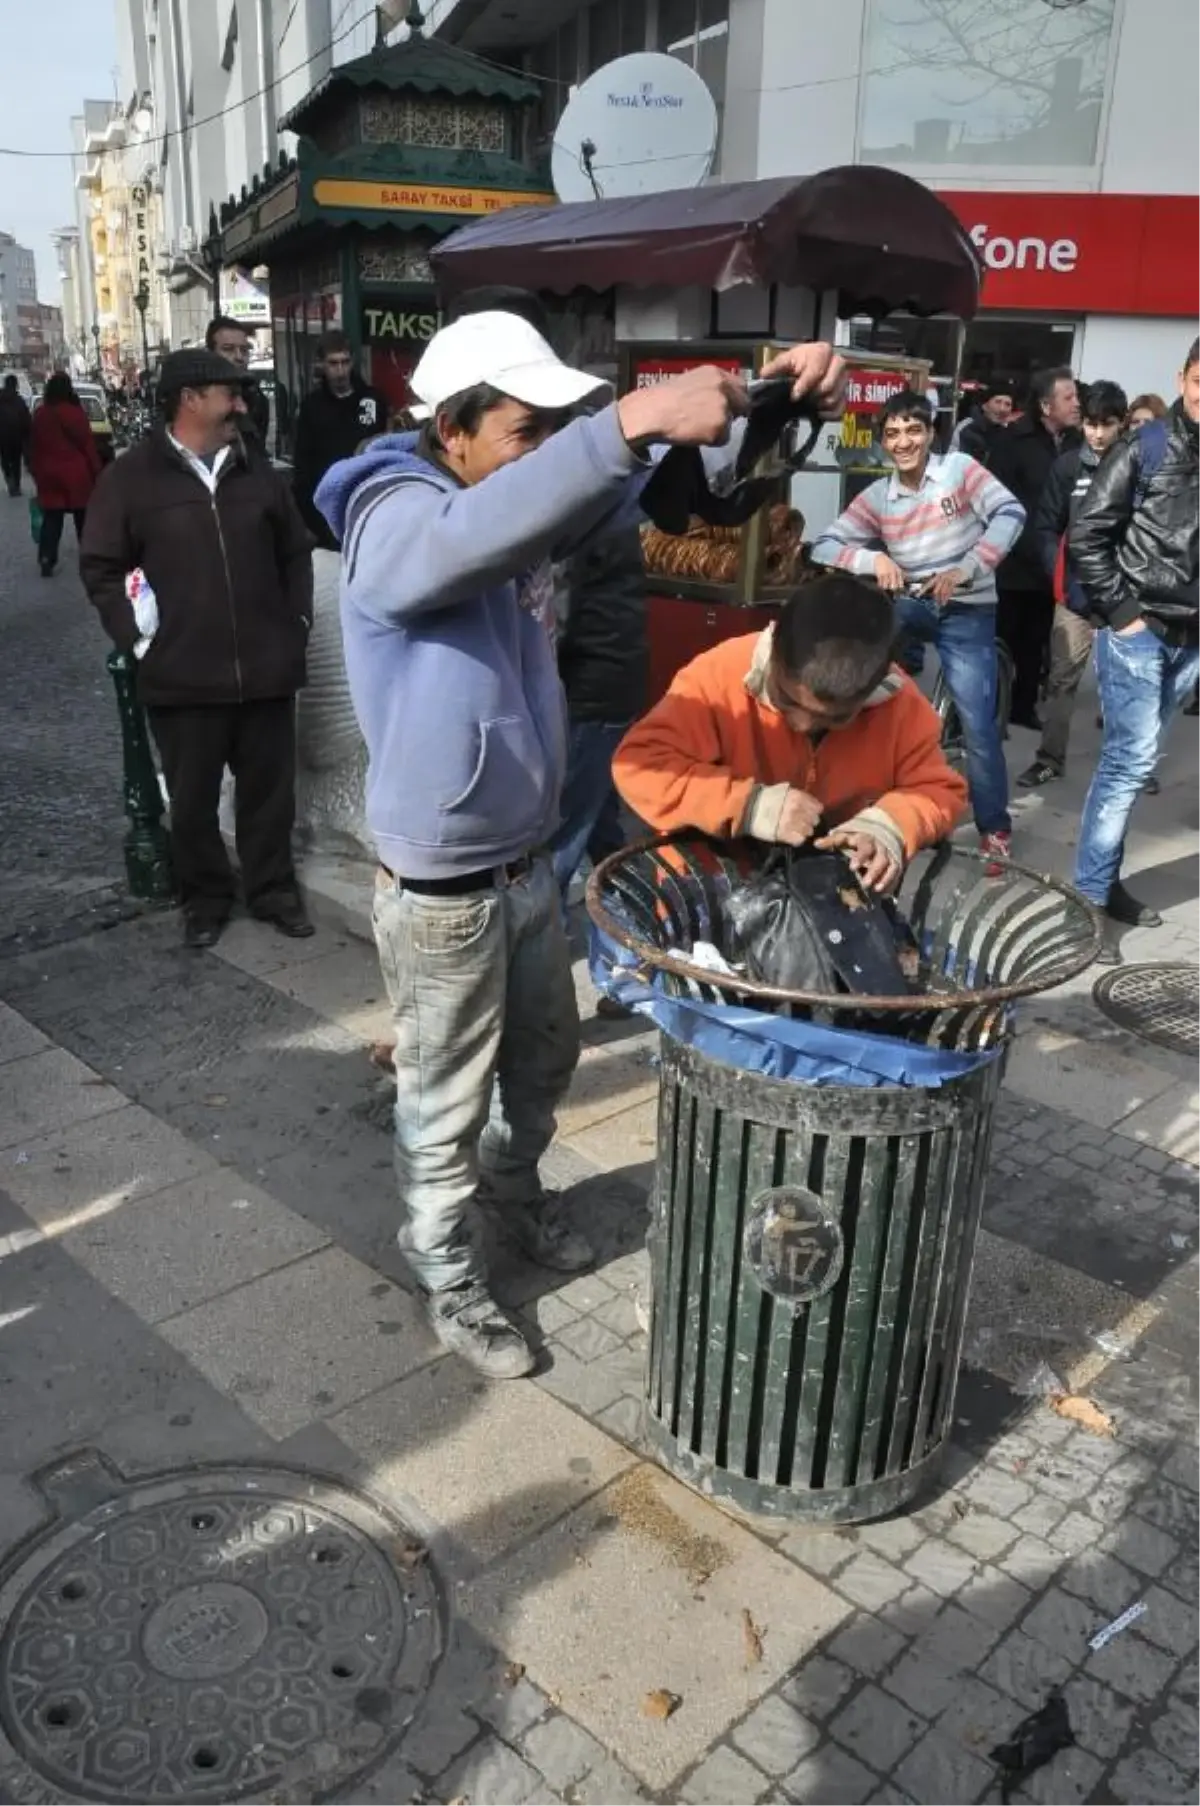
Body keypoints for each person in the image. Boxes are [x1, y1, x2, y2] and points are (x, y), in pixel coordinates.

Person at [315, 309, 846, 1378]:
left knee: (544, 1064)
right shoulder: (393, 508)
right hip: (443, 888)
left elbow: (637, 485)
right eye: (525, 428)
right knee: (444, 1093)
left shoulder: (511, 498)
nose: (547, 448)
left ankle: (516, 1203)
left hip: (522, 860)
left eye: (559, 428)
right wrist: (633, 413)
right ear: (452, 429)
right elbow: (457, 547)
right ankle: (448, 1268)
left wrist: (759, 396)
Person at [80, 348, 314, 950]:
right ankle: (206, 898)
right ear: (190, 398)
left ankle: (272, 890)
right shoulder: (130, 479)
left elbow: (294, 550)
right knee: (192, 804)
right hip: (182, 679)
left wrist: (297, 621)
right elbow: (102, 566)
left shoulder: (255, 470)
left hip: (264, 672)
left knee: (269, 797)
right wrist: (135, 636)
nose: (241, 403)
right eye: (229, 392)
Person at [442, 283, 647, 911]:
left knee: (558, 841)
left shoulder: (563, 462)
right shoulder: (561, 453)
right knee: (607, 834)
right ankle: (636, 959)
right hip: (590, 676)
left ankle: (549, 949)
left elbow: (556, 594)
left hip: (588, 678)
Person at [613, 573, 967, 889]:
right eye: (785, 700)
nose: (801, 725)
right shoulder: (719, 674)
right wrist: (749, 805)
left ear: (873, 690)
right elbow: (638, 765)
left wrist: (887, 826)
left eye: (833, 719)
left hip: (826, 899)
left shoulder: (900, 704)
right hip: (704, 886)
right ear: (773, 648)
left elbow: (936, 788)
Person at [810, 389, 1023, 862]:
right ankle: (874, 796)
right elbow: (823, 545)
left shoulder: (959, 471)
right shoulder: (879, 496)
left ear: (930, 434)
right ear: (882, 442)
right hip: (911, 604)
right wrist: (872, 558)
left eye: (913, 430)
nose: (903, 441)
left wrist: (967, 567)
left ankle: (994, 828)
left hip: (967, 609)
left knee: (977, 724)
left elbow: (1011, 513)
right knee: (868, 691)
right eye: (892, 433)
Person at [1070, 335, 1200, 954]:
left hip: (1191, 638)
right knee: (1128, 763)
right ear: (1183, 378)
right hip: (1139, 631)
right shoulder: (1146, 445)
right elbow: (1088, 532)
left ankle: (1103, 885)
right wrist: (1124, 615)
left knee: (1136, 762)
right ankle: (1090, 900)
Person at [1018, 380, 1128, 790]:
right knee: (1062, 680)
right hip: (1075, 595)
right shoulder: (1066, 467)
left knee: (1127, 685)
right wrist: (1061, 578)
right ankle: (1049, 759)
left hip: (1124, 596)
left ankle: (1132, 765)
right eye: (1091, 424)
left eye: (1108, 424)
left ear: (1123, 423)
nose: (1098, 433)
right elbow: (1045, 528)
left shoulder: (1137, 466)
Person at [989, 367, 1082, 729]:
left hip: (1054, 564)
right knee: (1003, 641)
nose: (1077, 404)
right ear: (1046, 405)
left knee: (1037, 644)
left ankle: (1023, 707)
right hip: (1014, 564)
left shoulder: (1076, 443)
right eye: (1068, 397)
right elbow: (996, 500)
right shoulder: (1013, 442)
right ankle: (990, 710)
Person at [292, 330, 388, 547]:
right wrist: (306, 520)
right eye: (333, 363)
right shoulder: (311, 406)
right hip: (325, 512)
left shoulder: (373, 400)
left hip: (367, 506)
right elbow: (303, 465)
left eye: (345, 362)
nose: (340, 370)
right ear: (322, 366)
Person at [28, 372, 101, 576]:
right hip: (76, 474)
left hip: (49, 474)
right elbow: (87, 445)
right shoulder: (75, 413)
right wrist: (96, 471)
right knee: (83, 517)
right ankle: (90, 557)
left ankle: (46, 558)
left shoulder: (41, 414)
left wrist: (35, 471)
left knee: (52, 518)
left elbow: (34, 446)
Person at [205, 315, 270, 445]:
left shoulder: (257, 399)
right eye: (228, 349)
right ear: (210, 354)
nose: (239, 357)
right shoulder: (197, 400)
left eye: (244, 350)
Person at [951, 380, 1015, 464]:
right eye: (998, 402)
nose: (1002, 409)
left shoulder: (1012, 432)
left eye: (1007, 404)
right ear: (985, 406)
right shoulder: (967, 427)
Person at [0, 372, 31, 497]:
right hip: (17, 437)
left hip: (2, 437)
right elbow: (26, 419)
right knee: (16, 461)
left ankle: (9, 480)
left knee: (5, 460)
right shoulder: (19, 401)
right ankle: (16, 485)